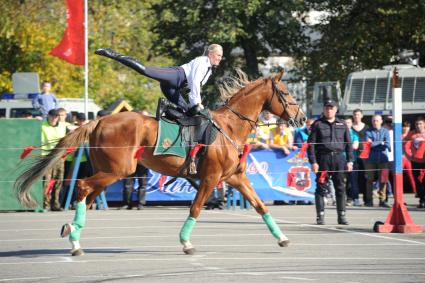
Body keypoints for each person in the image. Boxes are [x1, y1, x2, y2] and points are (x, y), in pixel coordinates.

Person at [95, 44, 223, 116]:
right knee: (144, 70)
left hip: (174, 88)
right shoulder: (202, 62)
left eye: (221, 56)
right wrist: (197, 103)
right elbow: (194, 83)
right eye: (218, 55)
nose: (219, 58)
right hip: (176, 76)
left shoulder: (209, 70)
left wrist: (193, 106)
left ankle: (166, 108)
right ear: (210, 54)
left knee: (188, 112)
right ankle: (111, 53)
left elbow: (191, 88)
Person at [307, 99, 353, 225]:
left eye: (331, 108)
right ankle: (320, 216)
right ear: (323, 109)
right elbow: (311, 145)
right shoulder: (317, 124)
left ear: (336, 109)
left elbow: (348, 144)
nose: (329, 110)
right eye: (327, 108)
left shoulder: (342, 124)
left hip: (339, 159)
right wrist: (313, 162)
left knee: (340, 187)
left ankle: (342, 215)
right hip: (323, 160)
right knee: (321, 187)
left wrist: (350, 161)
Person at [41, 109, 67, 211]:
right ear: (48, 115)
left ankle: (56, 204)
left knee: (58, 181)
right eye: (52, 116)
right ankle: (45, 204)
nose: (54, 118)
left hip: (59, 157)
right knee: (46, 182)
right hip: (46, 156)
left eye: (56, 117)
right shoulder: (41, 125)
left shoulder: (63, 125)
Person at [364, 115, 391, 208]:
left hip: (383, 159)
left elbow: (387, 144)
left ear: (381, 121)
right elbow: (368, 145)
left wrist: (375, 143)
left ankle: (382, 200)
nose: (375, 122)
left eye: (377, 120)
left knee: (383, 180)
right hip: (370, 159)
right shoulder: (367, 131)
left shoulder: (386, 131)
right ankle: (369, 200)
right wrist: (380, 142)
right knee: (369, 180)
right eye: (374, 120)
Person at [403, 116, 425, 208]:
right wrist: (408, 156)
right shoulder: (412, 134)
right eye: (417, 124)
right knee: (417, 181)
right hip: (415, 161)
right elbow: (404, 144)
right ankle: (421, 200)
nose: (418, 126)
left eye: (420, 124)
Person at [351, 109, 369, 206]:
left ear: (362, 115)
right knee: (354, 177)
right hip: (353, 155)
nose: (356, 116)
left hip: (365, 156)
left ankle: (367, 199)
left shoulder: (367, 127)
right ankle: (355, 198)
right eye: (355, 115)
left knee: (365, 177)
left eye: (358, 114)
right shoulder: (350, 128)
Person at [344, 116, 360, 206]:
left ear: (351, 123)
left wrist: (345, 145)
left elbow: (355, 146)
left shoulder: (354, 134)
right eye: (345, 123)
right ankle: (347, 199)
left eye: (349, 123)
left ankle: (355, 198)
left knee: (353, 180)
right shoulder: (339, 133)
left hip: (352, 160)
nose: (347, 124)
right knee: (342, 181)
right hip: (341, 159)